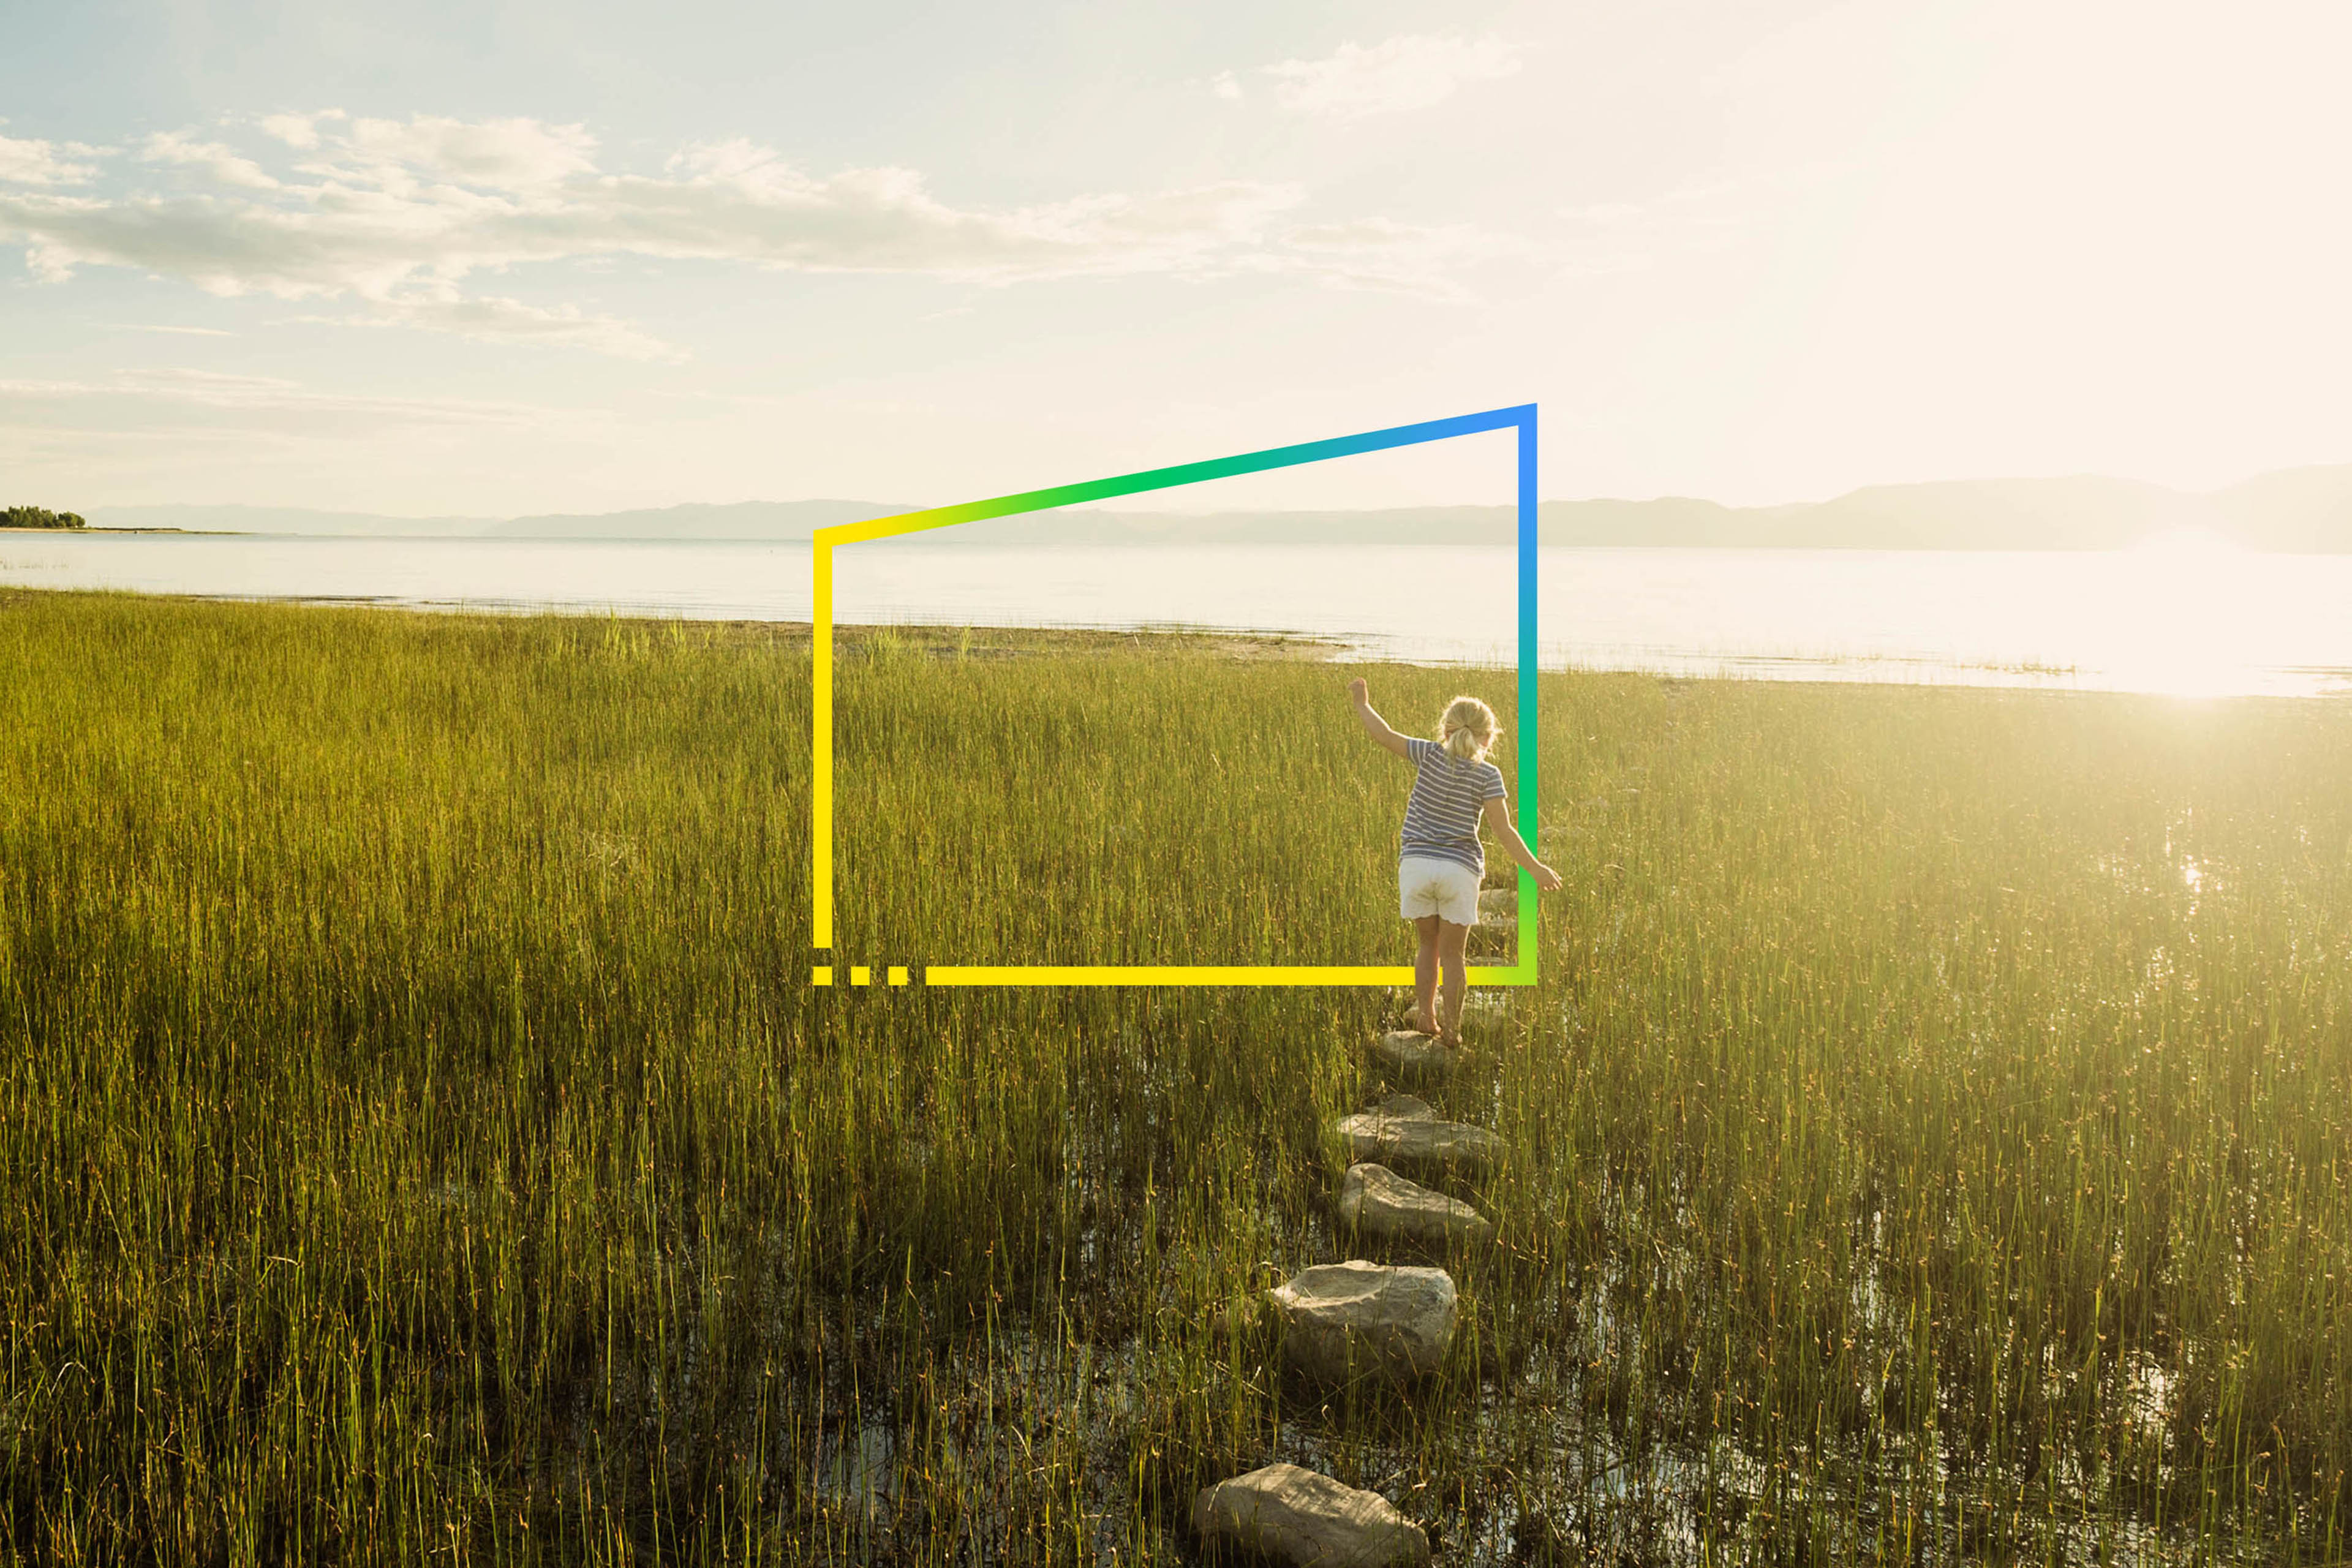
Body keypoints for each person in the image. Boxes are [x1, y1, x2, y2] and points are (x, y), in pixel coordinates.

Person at [1348, 678, 1561, 1046]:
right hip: (1459, 870)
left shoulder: (1428, 754)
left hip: (1416, 865)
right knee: (1454, 955)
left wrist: (1362, 704)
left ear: (1445, 730)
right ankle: (1452, 1030)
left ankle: (1426, 1017)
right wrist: (1536, 869)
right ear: (1488, 739)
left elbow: (1384, 735)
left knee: (1427, 947)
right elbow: (1505, 832)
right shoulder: (1488, 775)